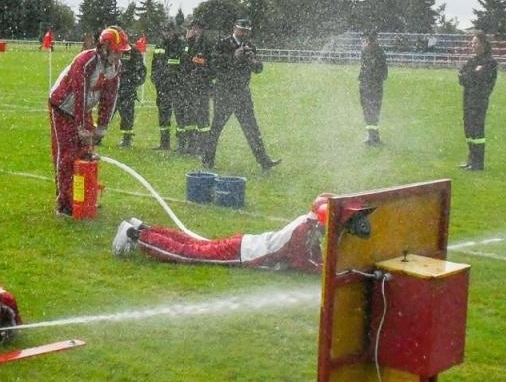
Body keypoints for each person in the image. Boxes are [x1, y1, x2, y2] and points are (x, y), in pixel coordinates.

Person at [113, 196, 329, 271]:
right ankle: (135, 235)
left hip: (243, 244)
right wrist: (324, 270)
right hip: (242, 254)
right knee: (188, 254)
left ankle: (143, 228)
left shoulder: (306, 223)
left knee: (191, 244)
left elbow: (310, 253)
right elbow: (303, 262)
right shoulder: (304, 231)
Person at [47, 26, 125, 216]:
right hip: (63, 107)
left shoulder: (115, 67)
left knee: (86, 153)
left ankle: (84, 197)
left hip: (83, 110)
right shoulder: (85, 61)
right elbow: (79, 93)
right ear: (104, 48)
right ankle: (64, 203)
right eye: (116, 51)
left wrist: (102, 126)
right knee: (66, 155)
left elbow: (110, 97)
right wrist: (81, 127)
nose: (119, 56)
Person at [200, 19, 280, 174]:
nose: (244, 34)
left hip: (242, 93)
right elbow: (214, 65)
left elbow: (258, 69)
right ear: (234, 29)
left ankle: (264, 161)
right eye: (241, 30)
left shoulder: (250, 46)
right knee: (216, 127)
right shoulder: (222, 44)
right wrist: (233, 57)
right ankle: (207, 160)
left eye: (247, 31)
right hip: (224, 92)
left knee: (252, 128)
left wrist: (253, 60)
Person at [457, 32, 498, 171]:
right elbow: (462, 78)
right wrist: (471, 75)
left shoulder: (490, 62)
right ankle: (471, 160)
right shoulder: (472, 61)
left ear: (483, 44)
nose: (472, 45)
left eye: (475, 43)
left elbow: (480, 80)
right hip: (467, 99)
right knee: (468, 129)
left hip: (479, 101)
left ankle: (478, 163)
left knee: (477, 132)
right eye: (472, 43)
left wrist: (470, 76)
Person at [175, 18, 212, 154]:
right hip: (188, 84)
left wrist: (202, 74)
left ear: (202, 29)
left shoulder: (207, 44)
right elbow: (184, 61)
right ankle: (190, 144)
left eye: (196, 28)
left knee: (202, 117)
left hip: (202, 85)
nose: (193, 31)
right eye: (191, 28)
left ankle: (203, 146)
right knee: (189, 116)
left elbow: (210, 65)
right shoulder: (188, 43)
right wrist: (188, 41)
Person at [149, 19, 185, 150]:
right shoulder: (159, 45)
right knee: (163, 114)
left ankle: (181, 144)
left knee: (180, 114)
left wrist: (178, 79)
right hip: (162, 85)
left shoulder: (181, 45)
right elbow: (155, 63)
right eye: (164, 30)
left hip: (177, 85)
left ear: (174, 31)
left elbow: (184, 64)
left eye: (169, 30)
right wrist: (155, 77)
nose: (166, 33)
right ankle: (164, 143)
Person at [114, 36, 147, 148]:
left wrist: (133, 82)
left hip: (128, 88)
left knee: (127, 113)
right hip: (114, 87)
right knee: (106, 112)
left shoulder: (134, 52)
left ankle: (127, 139)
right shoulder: (114, 50)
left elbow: (141, 70)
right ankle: (97, 136)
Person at [358, 29, 388, 146]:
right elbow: (384, 71)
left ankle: (371, 137)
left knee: (368, 110)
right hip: (375, 85)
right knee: (374, 110)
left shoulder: (365, 50)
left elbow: (365, 68)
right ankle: (373, 138)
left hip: (365, 85)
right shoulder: (379, 51)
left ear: (367, 39)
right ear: (376, 39)